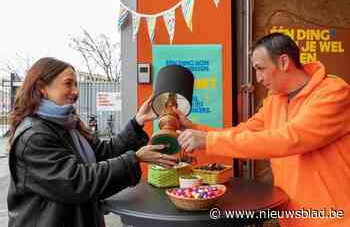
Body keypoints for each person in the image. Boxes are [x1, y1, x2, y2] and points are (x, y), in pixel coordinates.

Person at [176, 33, 350, 227]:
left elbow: (290, 139)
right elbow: (246, 132)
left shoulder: (334, 93)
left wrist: (208, 141)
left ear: (284, 62)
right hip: (293, 218)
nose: (258, 78)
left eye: (261, 69)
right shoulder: (275, 100)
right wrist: (196, 129)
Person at [7, 57, 177, 227]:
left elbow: (104, 152)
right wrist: (134, 158)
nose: (75, 91)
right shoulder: (33, 137)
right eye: (68, 83)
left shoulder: (68, 123)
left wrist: (138, 121)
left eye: (76, 84)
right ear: (42, 88)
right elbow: (76, 182)